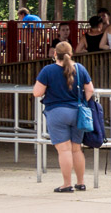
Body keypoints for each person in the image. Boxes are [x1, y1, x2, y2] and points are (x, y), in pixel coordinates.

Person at [32, 41, 95, 193]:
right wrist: (81, 103)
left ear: (55, 54)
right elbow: (90, 89)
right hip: (77, 113)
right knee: (76, 149)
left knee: (64, 150)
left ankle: (67, 184)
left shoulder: (48, 70)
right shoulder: (80, 69)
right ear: (71, 54)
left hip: (56, 112)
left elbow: (37, 92)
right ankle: (81, 183)